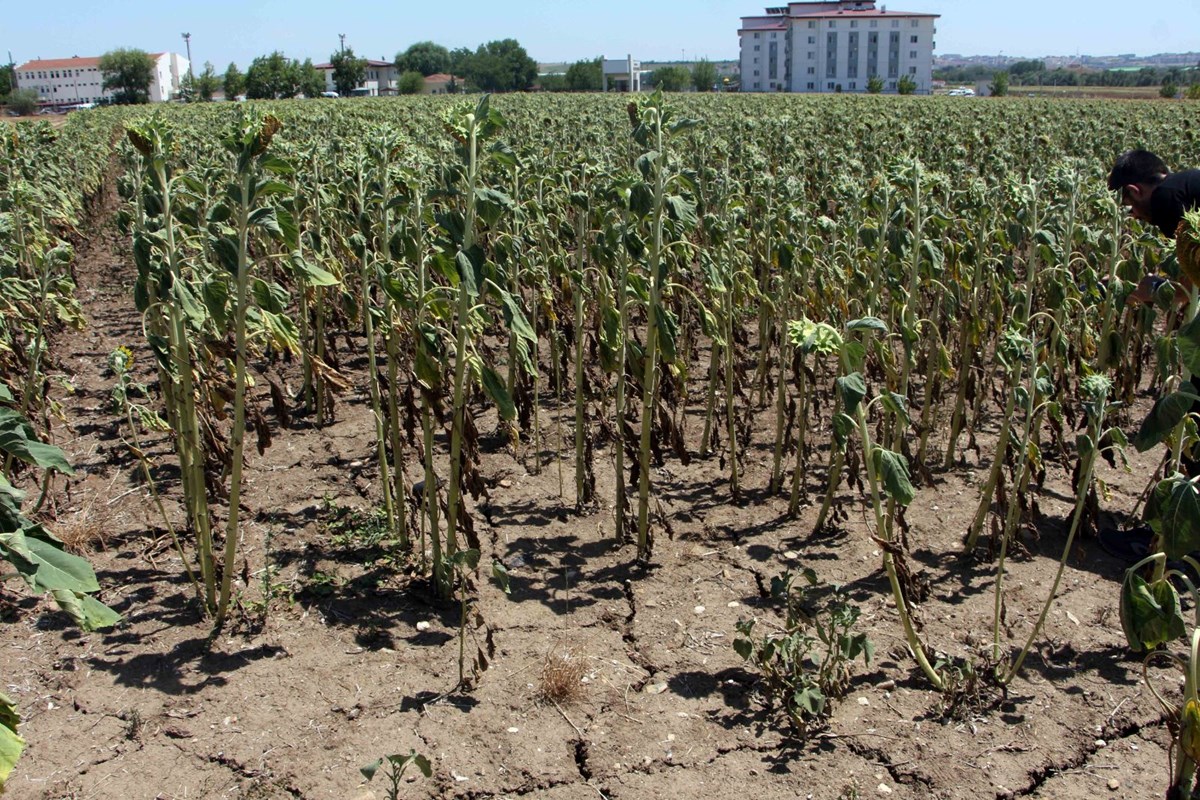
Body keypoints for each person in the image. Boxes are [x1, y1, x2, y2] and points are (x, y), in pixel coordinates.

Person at [1108, 149, 1200, 304]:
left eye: (1129, 208)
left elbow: (1190, 287)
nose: (1135, 216)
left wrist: (1152, 289)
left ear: (1134, 191)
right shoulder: (1185, 184)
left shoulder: (1164, 198)